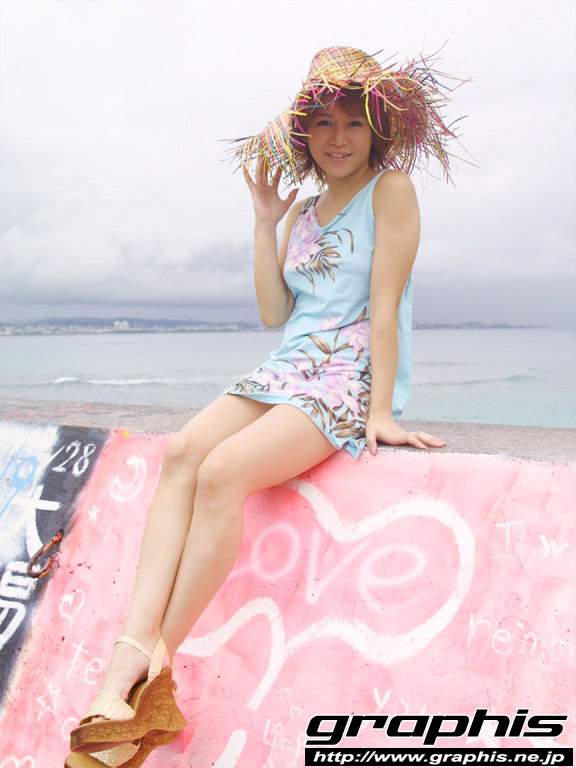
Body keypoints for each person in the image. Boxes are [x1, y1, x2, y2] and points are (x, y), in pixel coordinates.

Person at [65, 44, 472, 767]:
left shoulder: (391, 191)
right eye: (323, 124)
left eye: (353, 122)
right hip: (287, 365)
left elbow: (384, 307)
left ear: (376, 129)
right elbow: (274, 312)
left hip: (344, 374)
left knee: (223, 474)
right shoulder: (303, 213)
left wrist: (380, 410)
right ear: (303, 134)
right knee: (184, 454)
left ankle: (146, 672)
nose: (338, 138)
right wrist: (263, 222)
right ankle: (133, 652)